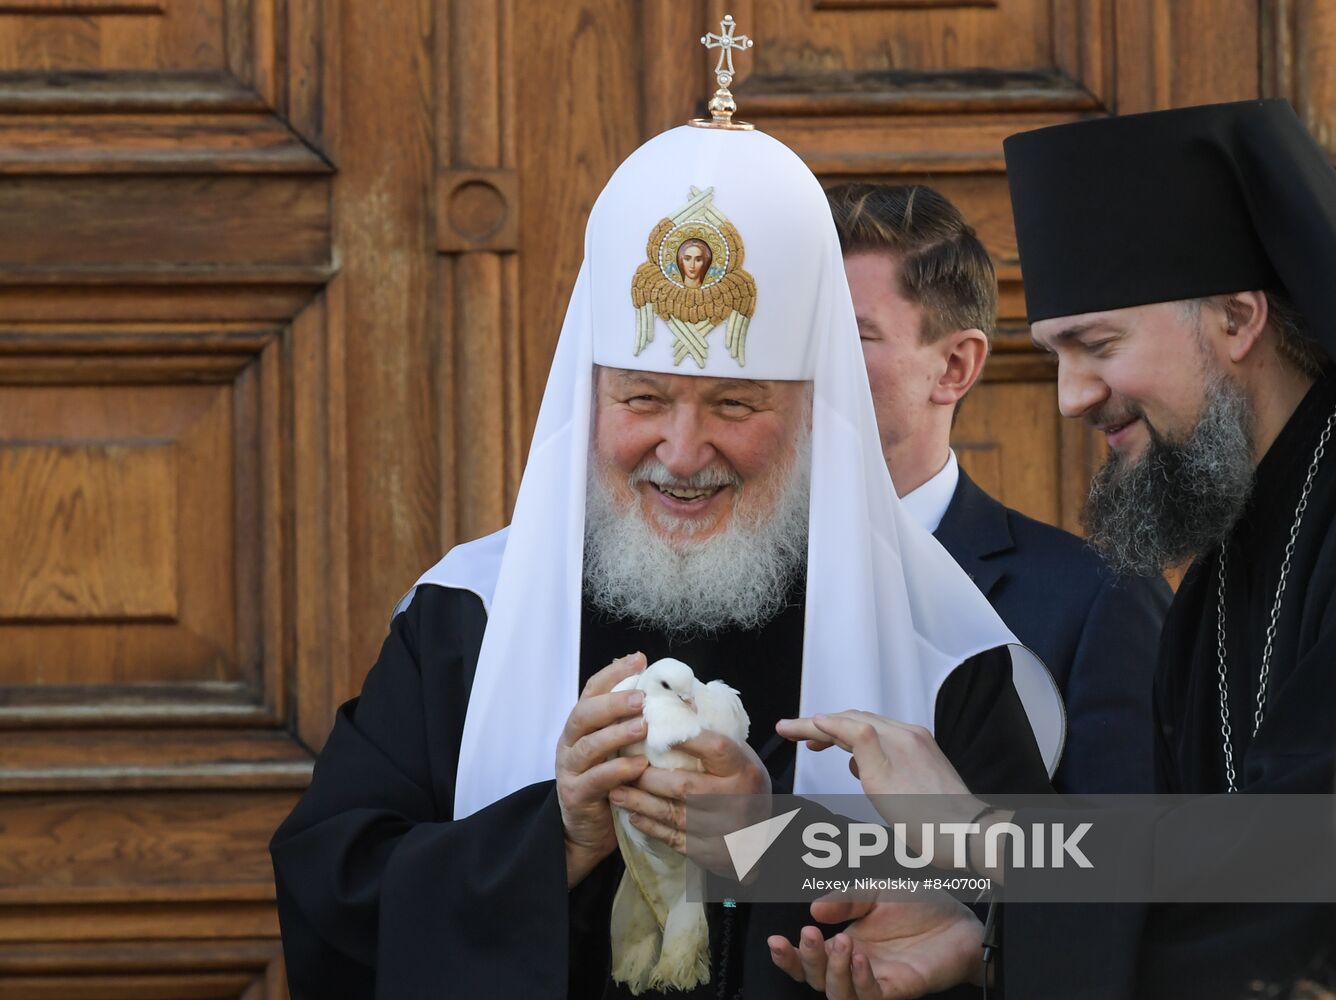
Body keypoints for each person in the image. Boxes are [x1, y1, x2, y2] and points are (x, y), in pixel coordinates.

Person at [268, 114, 1066, 998]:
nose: (681, 453)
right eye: (643, 398)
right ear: (592, 394)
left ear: (812, 413)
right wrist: (556, 837)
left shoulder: (945, 653)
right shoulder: (469, 615)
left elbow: (1051, 934)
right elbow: (330, 892)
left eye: (734, 406)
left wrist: (770, 842)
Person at [771, 99, 1336, 999]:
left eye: (1096, 345)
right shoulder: (1227, 567)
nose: (1070, 396)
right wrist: (983, 941)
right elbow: (1197, 913)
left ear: (1235, 316)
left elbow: (1304, 862)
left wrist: (977, 836)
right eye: (1055, 353)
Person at [827, 182, 1172, 793]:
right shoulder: (720, 581)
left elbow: (1131, 869)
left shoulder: (1095, 602)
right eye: (800, 336)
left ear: (954, 367)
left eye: (848, 335)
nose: (807, 364)